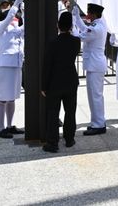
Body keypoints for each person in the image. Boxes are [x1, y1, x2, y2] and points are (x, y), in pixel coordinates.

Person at [41, 11, 80, 153]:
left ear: (58, 25)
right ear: (70, 26)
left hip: (54, 82)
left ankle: (52, 143)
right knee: (70, 111)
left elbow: (47, 66)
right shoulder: (76, 42)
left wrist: (43, 85)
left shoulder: (52, 43)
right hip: (70, 80)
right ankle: (69, 139)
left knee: (53, 113)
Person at [72, 3, 108, 135]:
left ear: (93, 14)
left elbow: (79, 36)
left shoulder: (97, 28)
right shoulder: (98, 24)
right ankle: (97, 122)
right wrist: (76, 18)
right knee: (95, 96)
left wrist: (73, 22)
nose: (87, 14)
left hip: (94, 65)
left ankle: (99, 125)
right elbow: (85, 29)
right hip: (95, 64)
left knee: (95, 96)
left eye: (89, 12)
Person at [0, 0, 25, 138]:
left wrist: (24, 12)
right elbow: (7, 20)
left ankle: (10, 125)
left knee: (12, 97)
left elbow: (25, 28)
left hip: (16, 64)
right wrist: (16, 3)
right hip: (5, 66)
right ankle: (1, 128)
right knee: (2, 98)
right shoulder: (0, 26)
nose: (13, 18)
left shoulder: (15, 29)